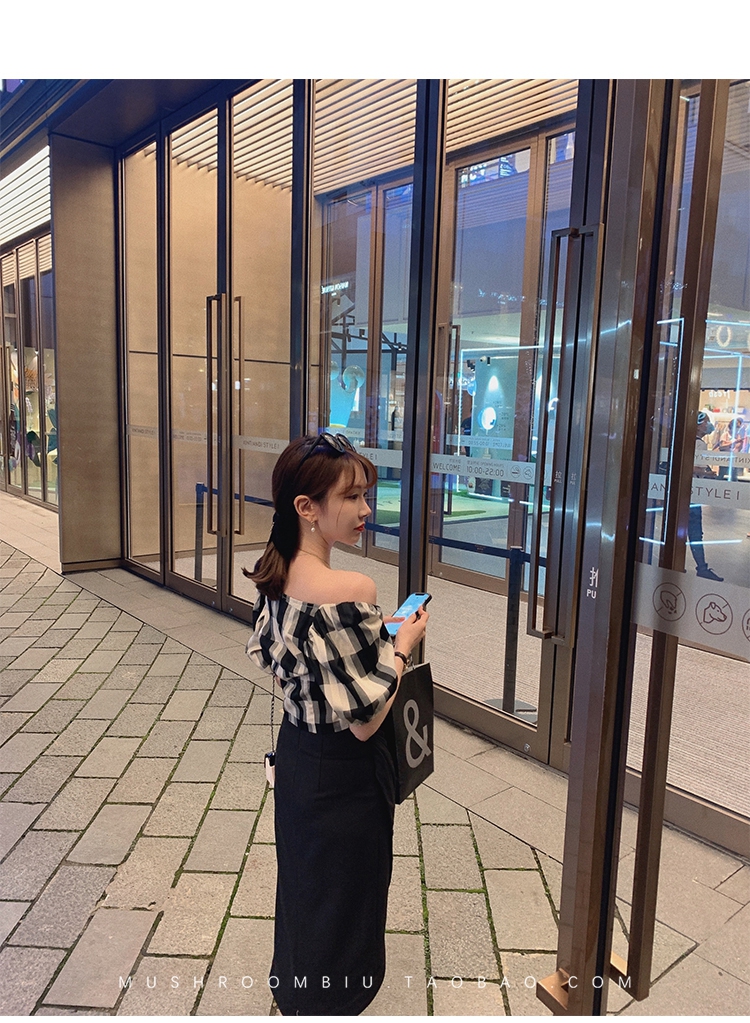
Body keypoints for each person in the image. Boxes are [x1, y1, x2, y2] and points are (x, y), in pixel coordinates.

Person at [245, 432, 429, 1016]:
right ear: (307, 507)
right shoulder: (351, 590)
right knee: (348, 901)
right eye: (351, 497)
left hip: (298, 758)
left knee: (305, 892)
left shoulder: (274, 572)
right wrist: (401, 647)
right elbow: (367, 721)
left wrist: (373, 643)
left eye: (365, 495)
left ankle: (297, 997)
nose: (365, 509)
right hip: (346, 776)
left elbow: (300, 668)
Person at [689, 411, 724, 581]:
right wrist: (708, 474)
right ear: (698, 424)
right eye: (706, 421)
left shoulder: (687, 442)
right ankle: (702, 568)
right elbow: (692, 468)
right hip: (693, 493)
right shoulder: (700, 445)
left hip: (685, 493)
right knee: (695, 531)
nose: (709, 425)